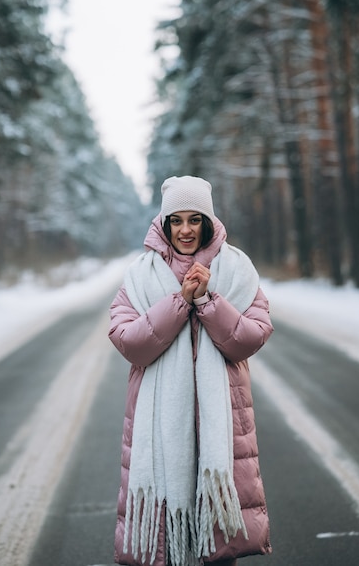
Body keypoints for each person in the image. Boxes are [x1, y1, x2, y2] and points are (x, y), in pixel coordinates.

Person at [109, 175, 274, 566]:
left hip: (222, 425)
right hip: (161, 430)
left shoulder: (237, 269)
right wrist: (180, 302)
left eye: (195, 219)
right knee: (167, 544)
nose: (185, 230)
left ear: (208, 221)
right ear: (165, 224)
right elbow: (130, 342)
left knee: (217, 545)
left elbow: (250, 337)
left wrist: (208, 300)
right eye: (177, 220)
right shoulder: (140, 275)